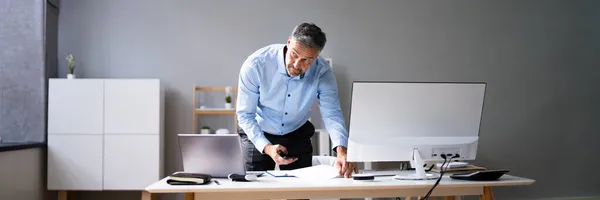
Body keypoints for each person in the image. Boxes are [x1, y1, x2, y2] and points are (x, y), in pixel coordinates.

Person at [236, 22, 358, 178]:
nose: (296, 64)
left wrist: (342, 151)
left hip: (296, 131)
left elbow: (332, 114)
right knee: (257, 190)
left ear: (317, 56)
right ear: (288, 43)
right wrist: (267, 147)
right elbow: (245, 115)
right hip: (259, 130)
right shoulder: (255, 65)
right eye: (294, 54)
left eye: (307, 60)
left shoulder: (323, 72)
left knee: (302, 189)